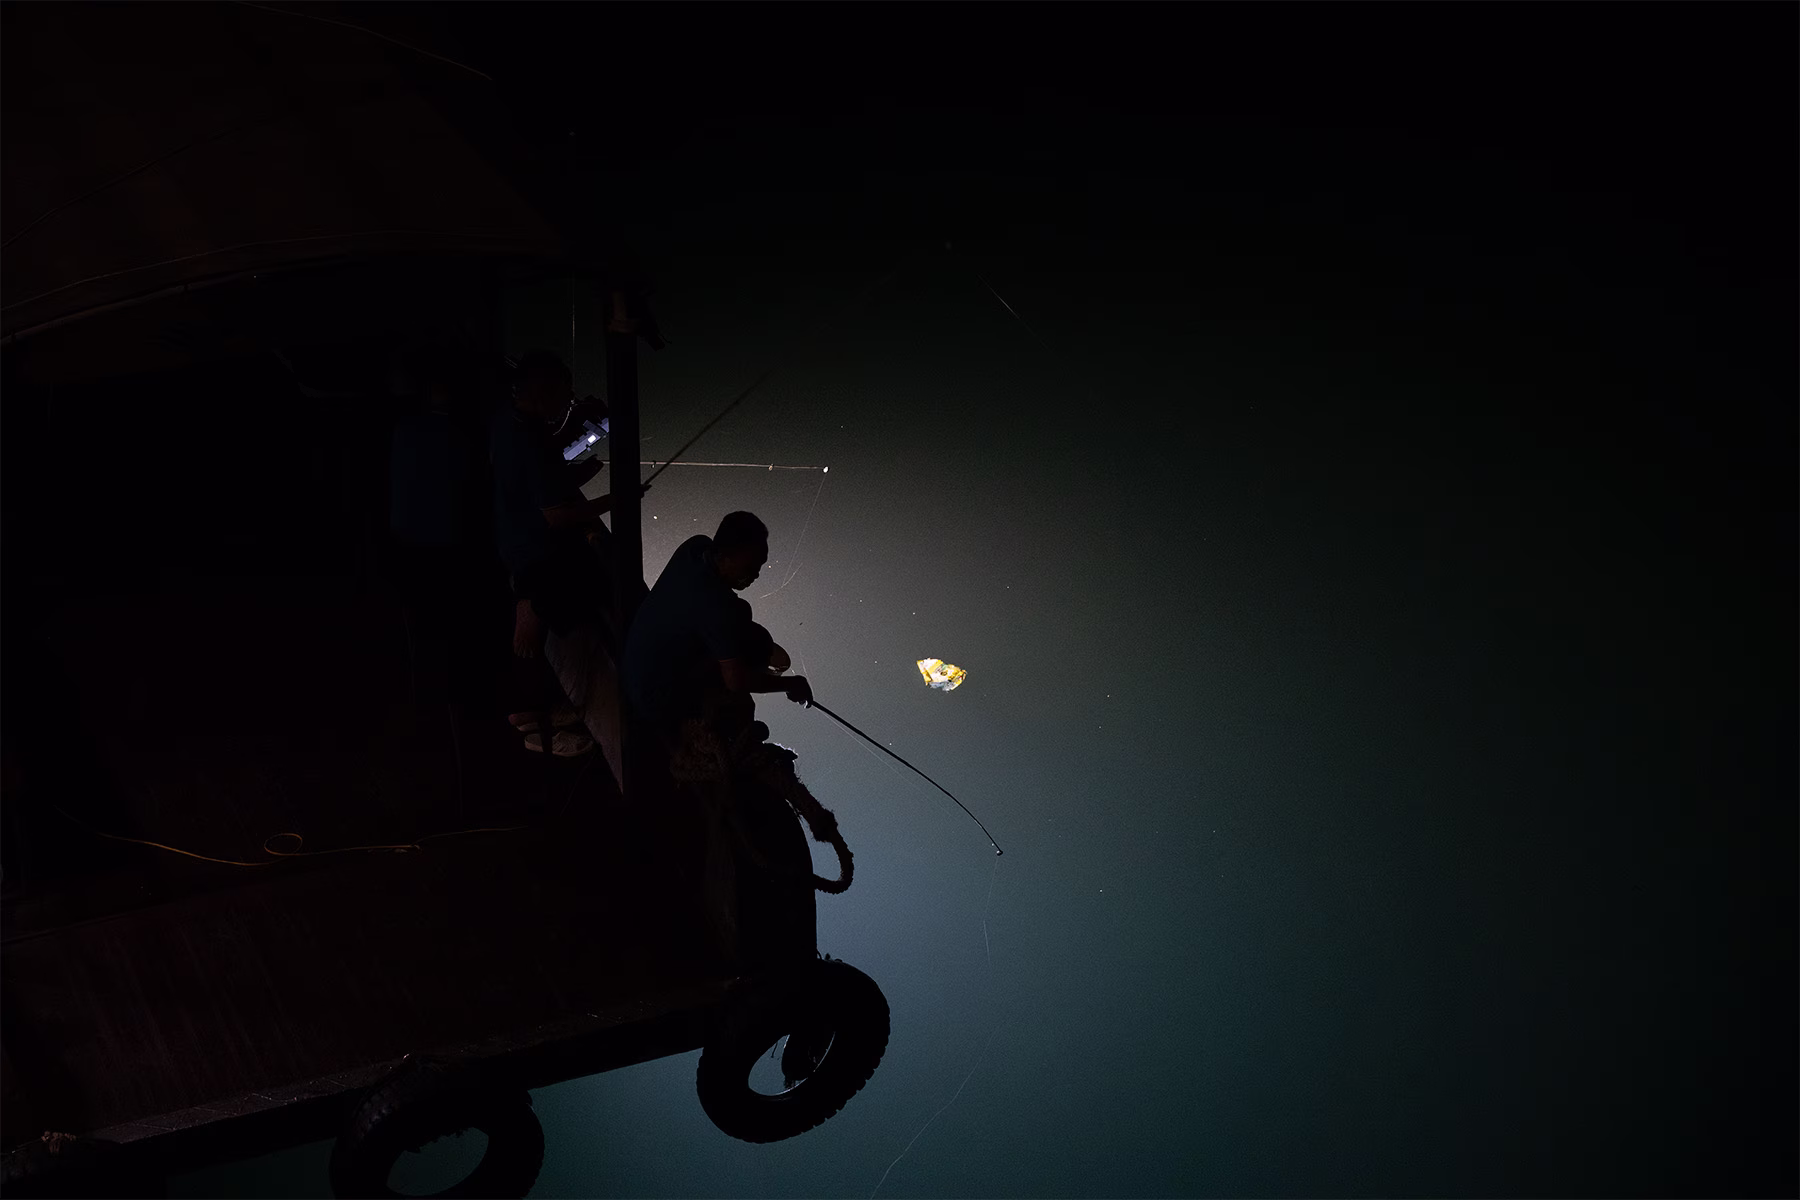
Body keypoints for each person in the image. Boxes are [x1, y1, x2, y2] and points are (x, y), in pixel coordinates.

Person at [490, 350, 636, 754]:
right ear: (543, 392)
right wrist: (617, 499)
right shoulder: (531, 441)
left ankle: (537, 711)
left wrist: (574, 472)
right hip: (535, 554)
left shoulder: (509, 421)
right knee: (560, 609)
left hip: (513, 540)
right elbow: (557, 515)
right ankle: (535, 725)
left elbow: (533, 480)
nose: (568, 402)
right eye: (565, 395)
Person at [622, 511, 812, 748]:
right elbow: (736, 682)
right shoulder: (718, 608)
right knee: (740, 697)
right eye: (750, 566)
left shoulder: (695, 547)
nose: (755, 575)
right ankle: (722, 732)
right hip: (652, 700)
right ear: (725, 556)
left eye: (759, 567)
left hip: (632, 667)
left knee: (741, 617)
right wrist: (789, 684)